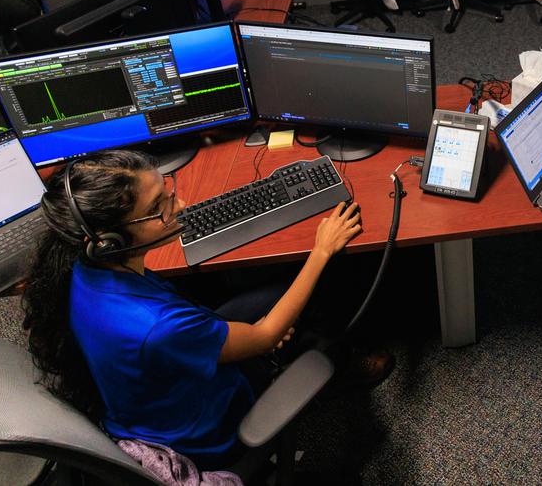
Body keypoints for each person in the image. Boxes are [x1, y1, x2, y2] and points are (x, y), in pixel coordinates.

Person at [22, 149, 381, 470]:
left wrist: (251, 334)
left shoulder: (83, 269)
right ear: (108, 242)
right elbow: (266, 334)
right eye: (156, 209)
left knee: (276, 295)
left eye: (166, 193)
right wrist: (320, 251)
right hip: (211, 432)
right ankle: (337, 366)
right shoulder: (157, 327)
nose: (178, 207)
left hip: (160, 392)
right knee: (309, 292)